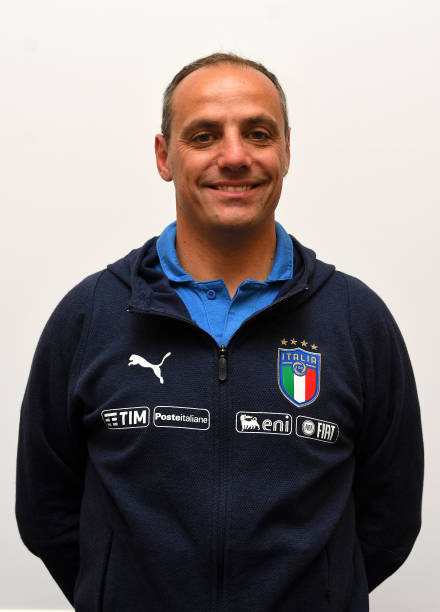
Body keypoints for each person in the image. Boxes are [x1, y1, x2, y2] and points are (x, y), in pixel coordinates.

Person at [16, 52, 423, 612]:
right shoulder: (89, 316)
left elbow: (389, 520)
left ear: (286, 151)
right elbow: (46, 512)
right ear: (164, 156)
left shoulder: (357, 320)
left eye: (258, 133)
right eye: (204, 136)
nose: (234, 157)